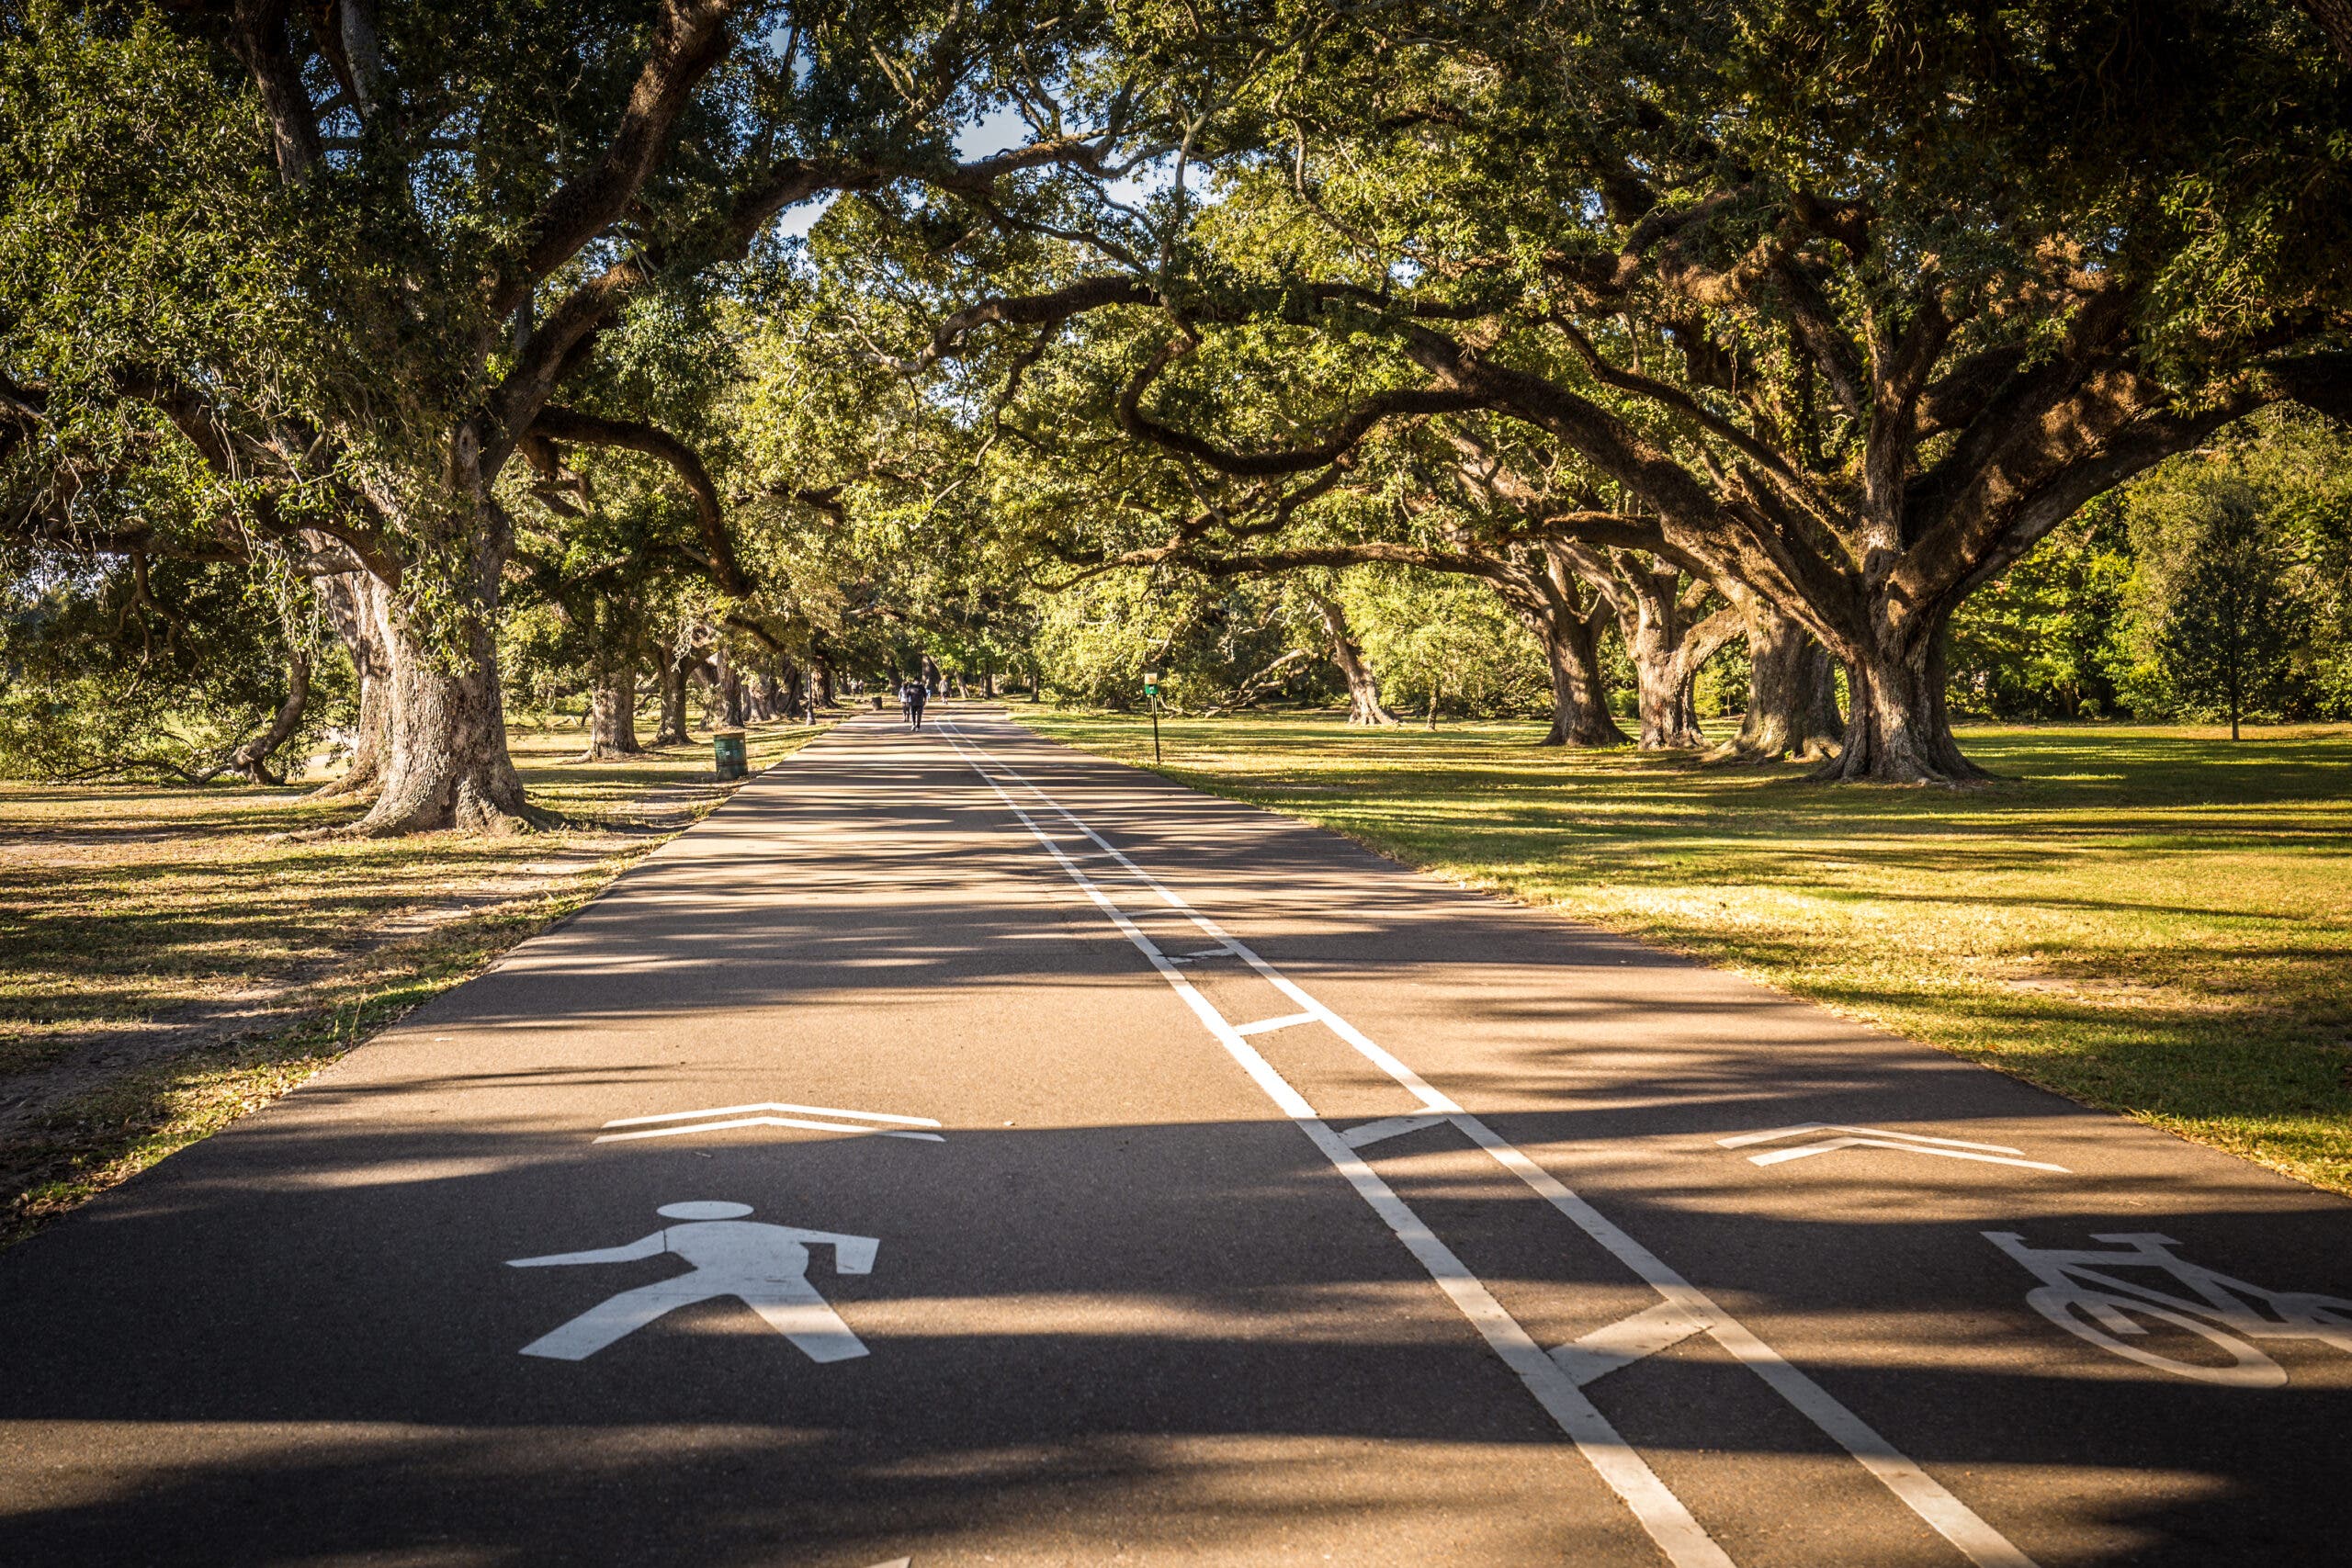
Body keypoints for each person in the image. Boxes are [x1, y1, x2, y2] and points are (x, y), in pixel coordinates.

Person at [507, 1201, 878, 1363]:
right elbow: (854, 1241)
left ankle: (562, 1348)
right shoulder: (763, 1227)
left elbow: (624, 1254)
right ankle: (840, 1357)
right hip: (777, 1274)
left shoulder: (677, 1232)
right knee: (637, 1298)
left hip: (766, 1274)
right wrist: (852, 1273)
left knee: (636, 1298)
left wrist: (537, 1262)